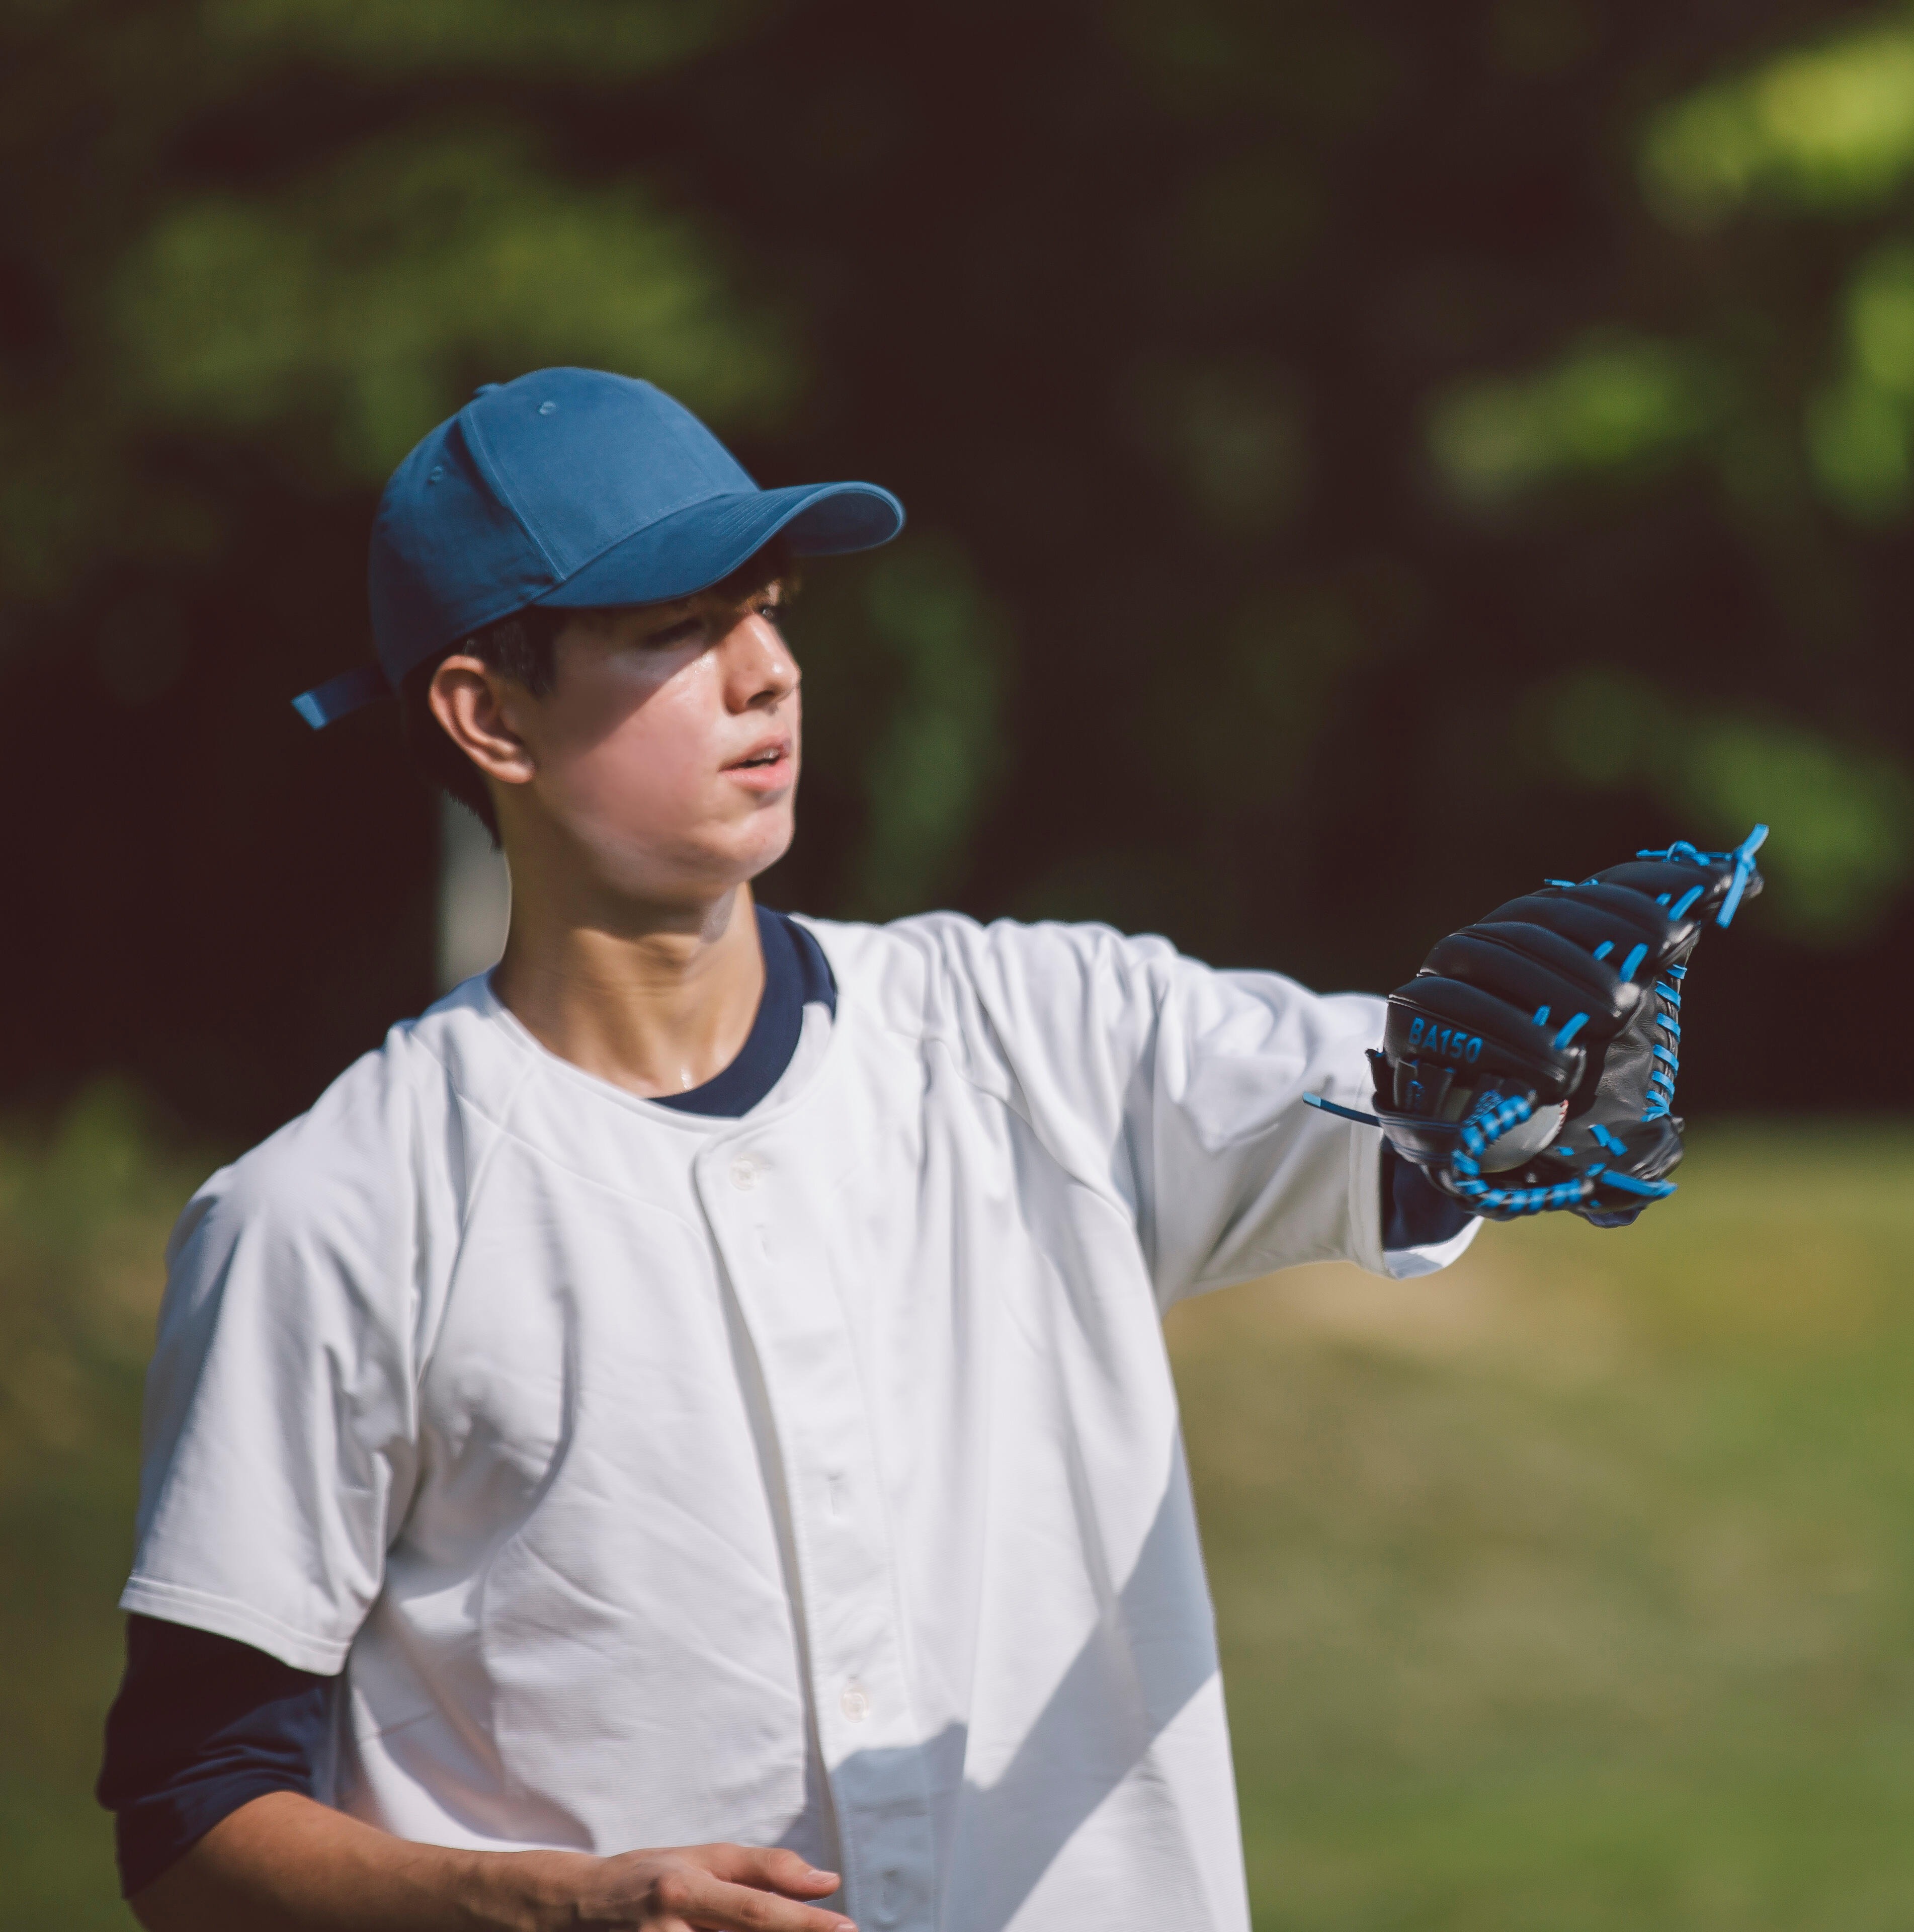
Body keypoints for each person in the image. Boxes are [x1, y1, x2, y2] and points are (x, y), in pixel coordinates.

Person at [95, 369, 1489, 1932]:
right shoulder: (331, 1213)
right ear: (490, 714)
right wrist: (560, 1907)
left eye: (767, 608)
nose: (768, 673)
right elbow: (191, 1822)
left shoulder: (1039, 1028)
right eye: (675, 629)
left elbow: (1421, 1119)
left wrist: (1543, 1066)